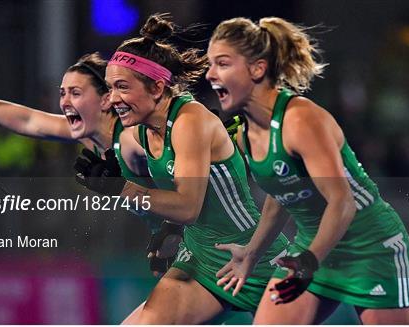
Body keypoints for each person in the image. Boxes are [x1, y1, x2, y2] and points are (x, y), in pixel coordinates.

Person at [206, 17, 409, 324]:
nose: (210, 73)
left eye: (222, 63)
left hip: (371, 248)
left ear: (257, 69)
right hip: (314, 246)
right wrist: (252, 253)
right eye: (210, 64)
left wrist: (309, 261)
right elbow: (280, 194)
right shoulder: (244, 131)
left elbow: (342, 202)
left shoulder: (301, 120)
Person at [93, 13, 289, 324]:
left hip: (254, 256)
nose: (112, 99)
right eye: (109, 87)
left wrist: (119, 188)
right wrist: (167, 230)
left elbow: (187, 207)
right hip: (199, 258)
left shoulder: (189, 121)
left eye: (121, 87)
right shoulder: (142, 130)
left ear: (157, 88)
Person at [0, 53, 182, 276]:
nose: (64, 102)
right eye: (62, 93)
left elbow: (193, 185)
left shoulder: (131, 139)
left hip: (202, 241)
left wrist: (173, 229)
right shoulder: (92, 136)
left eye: (75, 93)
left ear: (105, 99)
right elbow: (30, 121)